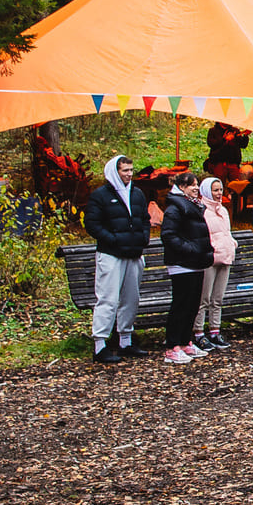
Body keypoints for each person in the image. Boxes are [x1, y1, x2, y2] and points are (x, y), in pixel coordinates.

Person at [83, 154, 150, 364]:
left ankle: (126, 340)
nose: (129, 175)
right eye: (124, 171)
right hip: (111, 255)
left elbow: (145, 220)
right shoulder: (100, 196)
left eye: (131, 170)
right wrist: (113, 240)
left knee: (131, 298)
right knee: (108, 299)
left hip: (134, 253)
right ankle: (100, 344)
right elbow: (92, 224)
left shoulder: (137, 194)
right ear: (115, 171)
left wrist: (142, 239)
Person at [159, 174, 213, 365]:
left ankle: (185, 341)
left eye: (197, 185)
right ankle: (172, 345)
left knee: (193, 304)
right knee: (181, 304)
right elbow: (168, 235)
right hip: (181, 263)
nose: (196, 188)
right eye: (192, 185)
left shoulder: (194, 206)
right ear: (181, 187)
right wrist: (189, 248)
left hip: (196, 262)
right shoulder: (175, 209)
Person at [195, 177, 236, 352]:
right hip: (209, 258)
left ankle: (215, 330)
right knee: (203, 298)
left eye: (220, 190)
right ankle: (198, 332)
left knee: (217, 298)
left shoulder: (224, 211)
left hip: (225, 256)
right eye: (215, 190)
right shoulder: (201, 211)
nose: (219, 194)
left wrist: (231, 243)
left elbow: (226, 231)